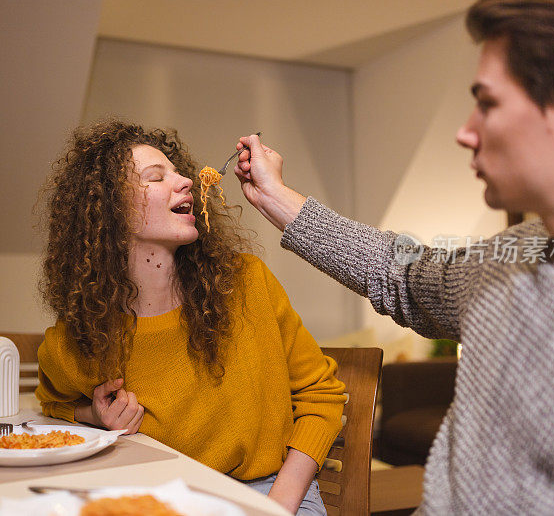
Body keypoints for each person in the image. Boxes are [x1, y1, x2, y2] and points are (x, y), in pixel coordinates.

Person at [234, 0, 554, 514]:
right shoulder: (505, 260)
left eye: (487, 103)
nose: (465, 131)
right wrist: (279, 201)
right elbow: (400, 273)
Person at [35, 120, 345, 515]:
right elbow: (50, 399)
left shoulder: (248, 283)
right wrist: (92, 414)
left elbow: (322, 395)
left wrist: (278, 505)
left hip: (270, 491)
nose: (185, 181)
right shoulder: (90, 329)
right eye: (155, 176)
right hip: (163, 496)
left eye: (178, 171)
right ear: (108, 209)